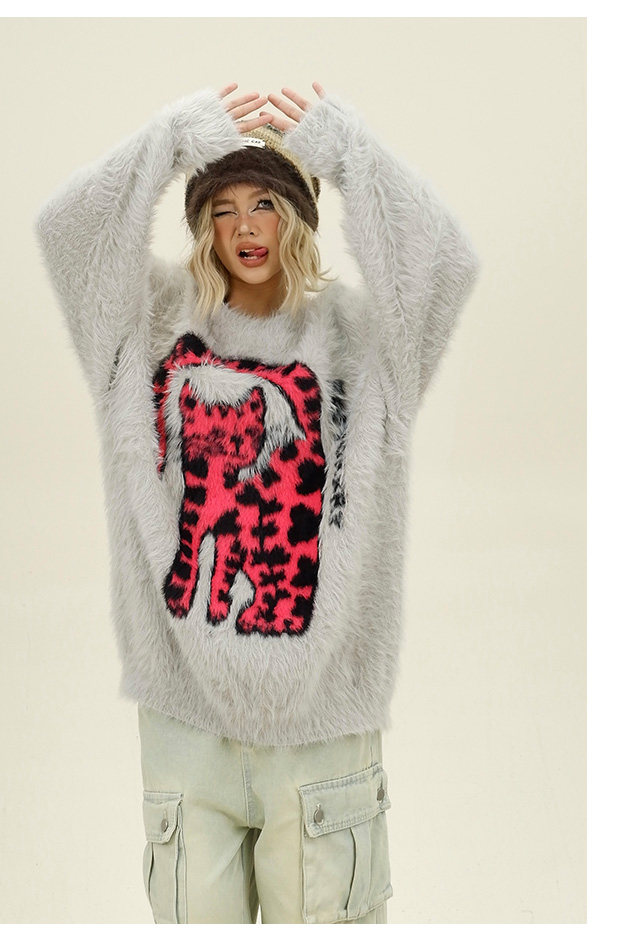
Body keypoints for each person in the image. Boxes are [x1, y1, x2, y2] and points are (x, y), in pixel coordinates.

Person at [35, 81, 480, 924]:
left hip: (321, 739)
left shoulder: (366, 347)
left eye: (266, 203)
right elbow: (70, 233)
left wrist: (348, 148)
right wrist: (169, 140)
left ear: (297, 218)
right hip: (186, 733)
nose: (245, 227)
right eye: (224, 208)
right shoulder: (146, 331)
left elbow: (444, 263)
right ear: (202, 225)